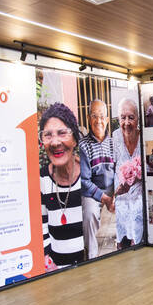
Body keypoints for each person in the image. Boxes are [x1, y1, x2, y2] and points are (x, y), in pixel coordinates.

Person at [39, 102, 83, 269]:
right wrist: (47, 259)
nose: (55, 142)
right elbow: (42, 224)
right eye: (48, 135)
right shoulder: (42, 179)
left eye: (62, 133)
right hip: (57, 271)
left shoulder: (88, 175)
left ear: (75, 139)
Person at [78, 100, 115, 260]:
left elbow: (120, 174)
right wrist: (104, 197)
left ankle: (127, 242)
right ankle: (91, 256)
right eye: (94, 116)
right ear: (88, 118)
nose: (98, 120)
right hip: (92, 191)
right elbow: (84, 181)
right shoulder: (83, 146)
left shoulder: (114, 144)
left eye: (101, 116)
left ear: (107, 119)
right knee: (89, 213)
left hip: (113, 188)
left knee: (130, 201)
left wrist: (116, 195)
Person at [113, 98, 143, 248]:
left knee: (138, 208)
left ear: (138, 118)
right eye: (122, 118)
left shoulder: (144, 137)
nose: (126, 123)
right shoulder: (115, 136)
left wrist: (136, 178)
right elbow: (112, 165)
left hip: (139, 188)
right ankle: (122, 240)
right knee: (122, 206)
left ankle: (136, 241)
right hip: (121, 188)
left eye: (131, 117)